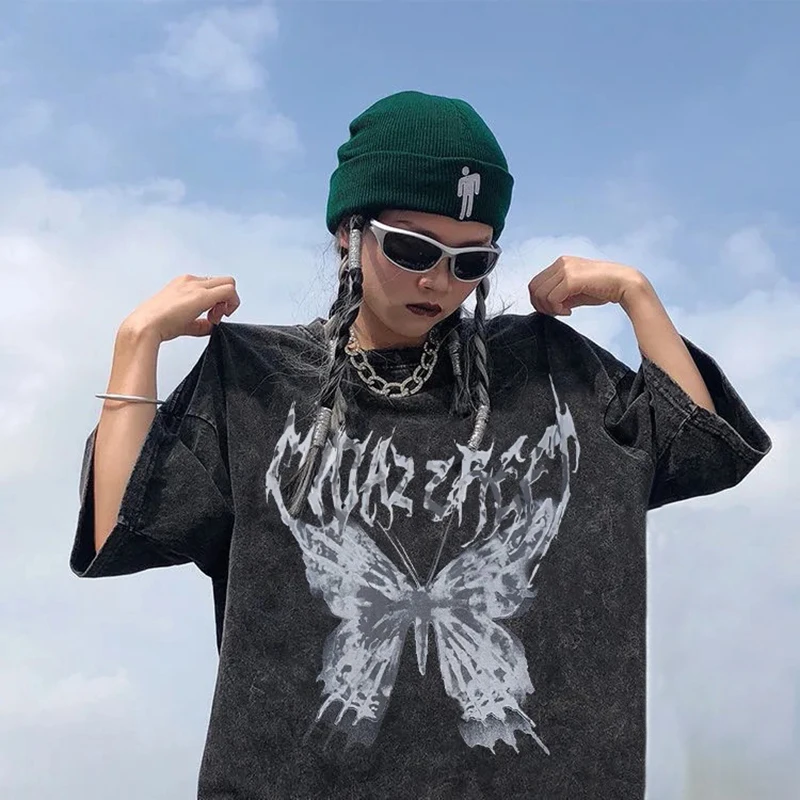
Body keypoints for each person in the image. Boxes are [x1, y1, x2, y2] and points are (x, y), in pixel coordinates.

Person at [71, 90, 772, 799]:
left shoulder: (550, 371)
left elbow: (701, 449)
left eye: (471, 261)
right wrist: (136, 345)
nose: (438, 280)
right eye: (411, 248)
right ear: (348, 232)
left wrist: (636, 295)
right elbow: (122, 529)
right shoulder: (257, 381)